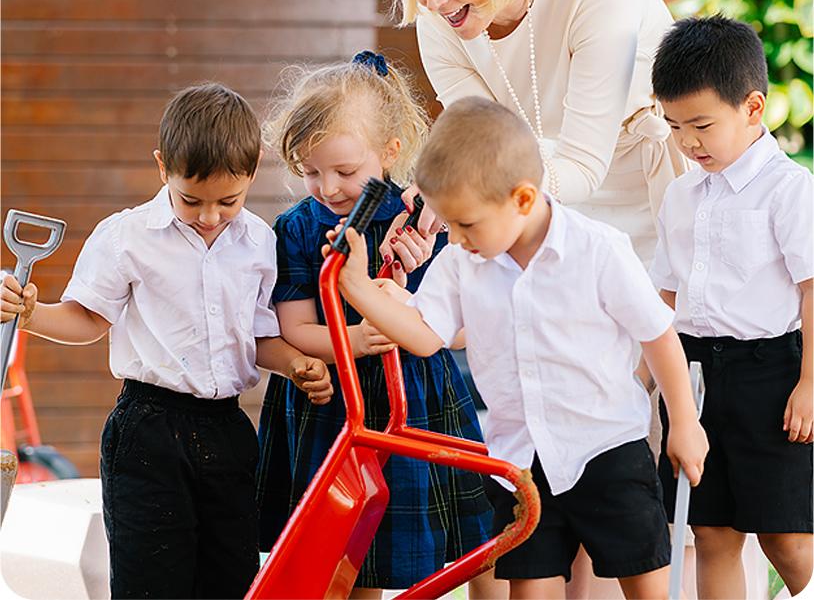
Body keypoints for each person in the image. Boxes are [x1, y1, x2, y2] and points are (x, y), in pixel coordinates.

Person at [326, 96, 709, 600]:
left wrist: (683, 422)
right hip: (519, 464)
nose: (457, 239)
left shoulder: (598, 250)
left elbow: (657, 334)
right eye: (451, 225)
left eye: (467, 225)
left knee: (646, 587)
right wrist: (354, 288)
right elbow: (423, 335)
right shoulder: (465, 261)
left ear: (523, 199)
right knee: (529, 591)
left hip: (606, 448)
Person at [0, 82, 334, 599]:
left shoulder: (259, 243)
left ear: (254, 169)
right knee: (150, 584)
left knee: (231, 581)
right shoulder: (126, 238)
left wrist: (295, 364)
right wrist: (31, 313)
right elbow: (88, 320)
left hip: (227, 429)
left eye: (228, 200)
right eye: (191, 199)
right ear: (162, 167)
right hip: (146, 434)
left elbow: (260, 336)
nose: (208, 216)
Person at [255, 53, 495, 597]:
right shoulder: (297, 228)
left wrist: (405, 297)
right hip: (336, 405)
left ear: (390, 152)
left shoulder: (423, 215)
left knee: (471, 539)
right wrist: (357, 340)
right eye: (310, 172)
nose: (328, 187)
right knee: (349, 552)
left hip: (417, 395)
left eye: (344, 170)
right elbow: (294, 327)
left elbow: (459, 325)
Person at [388, 0, 686, 264]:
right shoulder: (439, 22)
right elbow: (485, 145)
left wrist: (470, 182)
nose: (435, 0)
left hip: (656, 195)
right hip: (545, 206)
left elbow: (582, 166)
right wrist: (443, 194)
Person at [650, 15, 813, 598]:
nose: (688, 142)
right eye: (673, 126)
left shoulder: (790, 189)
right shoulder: (680, 193)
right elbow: (663, 294)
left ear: (752, 107)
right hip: (692, 376)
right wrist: (641, 375)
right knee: (710, 529)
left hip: (771, 374)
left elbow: (812, 289)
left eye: (701, 125)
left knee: (787, 534)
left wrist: (810, 383)